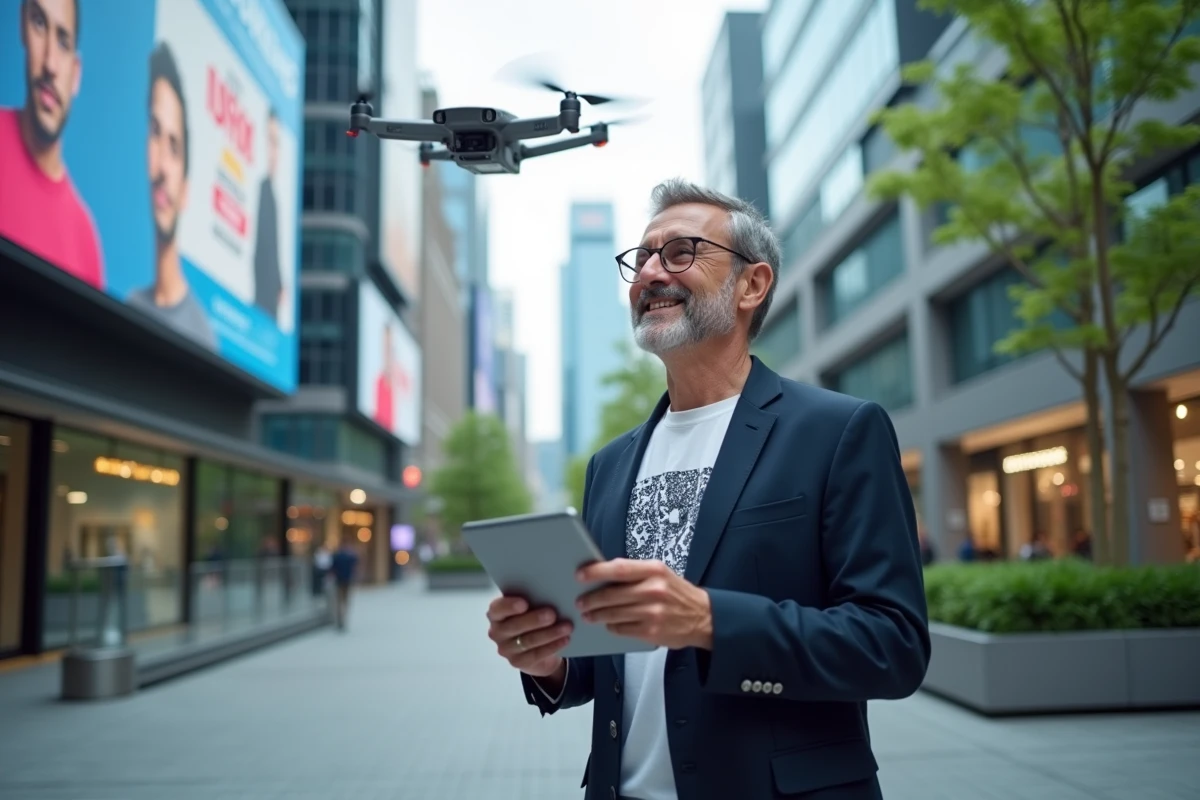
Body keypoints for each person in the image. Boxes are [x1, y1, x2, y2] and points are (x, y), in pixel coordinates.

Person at [486, 179, 930, 800]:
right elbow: (612, 663)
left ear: (752, 285)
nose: (650, 274)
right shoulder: (609, 466)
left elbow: (893, 646)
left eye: (680, 252)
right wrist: (551, 662)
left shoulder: (837, 432)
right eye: (642, 257)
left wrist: (712, 622)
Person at [0, 0, 104, 290]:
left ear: (76, 73)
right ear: (22, 27)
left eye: (63, 41)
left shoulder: (85, 240)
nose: (50, 64)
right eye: (39, 24)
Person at [126, 42, 217, 350]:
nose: (163, 166)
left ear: (186, 189)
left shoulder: (202, 335)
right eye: (155, 133)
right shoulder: (130, 303)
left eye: (175, 148)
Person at [252, 108, 284, 321]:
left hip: (271, 305)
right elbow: (262, 250)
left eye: (277, 144)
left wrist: (280, 283)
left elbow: (274, 249)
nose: (274, 153)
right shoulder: (262, 189)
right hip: (262, 302)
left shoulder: (273, 194)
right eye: (270, 141)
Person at [329, 536, 359, 631]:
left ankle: (340, 619)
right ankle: (343, 619)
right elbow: (355, 566)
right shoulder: (350, 556)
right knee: (345, 601)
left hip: (339, 581)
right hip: (346, 580)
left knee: (339, 601)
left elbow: (332, 568)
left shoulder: (337, 555)